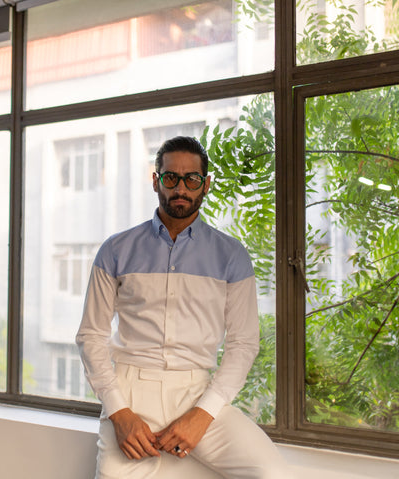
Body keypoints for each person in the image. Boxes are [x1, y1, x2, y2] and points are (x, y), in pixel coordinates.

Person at [76, 136, 291, 478]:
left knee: (276, 475)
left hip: (197, 392)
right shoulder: (116, 250)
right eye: (170, 178)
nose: (181, 188)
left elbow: (244, 343)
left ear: (205, 185)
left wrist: (202, 414)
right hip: (130, 391)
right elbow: (91, 335)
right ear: (156, 180)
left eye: (191, 179)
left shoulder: (231, 256)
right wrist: (119, 413)